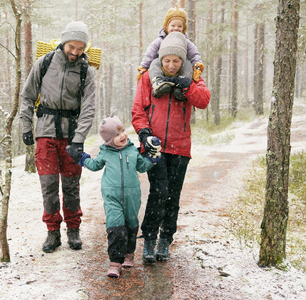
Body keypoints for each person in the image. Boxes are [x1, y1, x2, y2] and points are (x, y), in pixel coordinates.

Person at [132, 31, 210, 263]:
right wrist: (144, 133)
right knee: (159, 191)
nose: (171, 65)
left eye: (176, 61)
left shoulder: (192, 77)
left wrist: (187, 86)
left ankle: (165, 239)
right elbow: (138, 110)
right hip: (154, 146)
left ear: (183, 60)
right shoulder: (148, 77)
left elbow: (203, 101)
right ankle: (148, 239)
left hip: (180, 147)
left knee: (172, 195)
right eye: (167, 60)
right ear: (160, 58)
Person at [19, 21, 96, 253]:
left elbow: (89, 108)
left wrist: (79, 138)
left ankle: (73, 230)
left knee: (71, 186)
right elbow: (27, 96)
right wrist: (25, 125)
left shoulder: (86, 70)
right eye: (71, 46)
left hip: (71, 136)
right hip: (45, 133)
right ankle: (52, 232)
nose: (75, 52)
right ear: (63, 42)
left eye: (80, 48)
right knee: (49, 186)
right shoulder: (44, 63)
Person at [72, 115, 157, 278]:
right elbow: (95, 165)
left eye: (123, 131)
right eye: (117, 135)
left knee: (131, 225)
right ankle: (115, 263)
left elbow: (142, 167)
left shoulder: (132, 150)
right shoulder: (105, 153)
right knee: (115, 227)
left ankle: (129, 253)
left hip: (132, 196)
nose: (123, 135)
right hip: (112, 197)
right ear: (109, 140)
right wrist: (81, 158)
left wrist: (154, 157)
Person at [137, 4, 204, 84]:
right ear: (166, 26)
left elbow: (194, 54)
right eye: (173, 25)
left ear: (183, 29)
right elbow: (149, 54)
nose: (176, 28)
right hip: (163, 67)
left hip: (179, 69)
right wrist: (143, 67)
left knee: (187, 64)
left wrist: (197, 65)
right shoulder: (160, 41)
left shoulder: (185, 42)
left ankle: (183, 84)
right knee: (155, 62)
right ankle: (158, 82)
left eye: (179, 26)